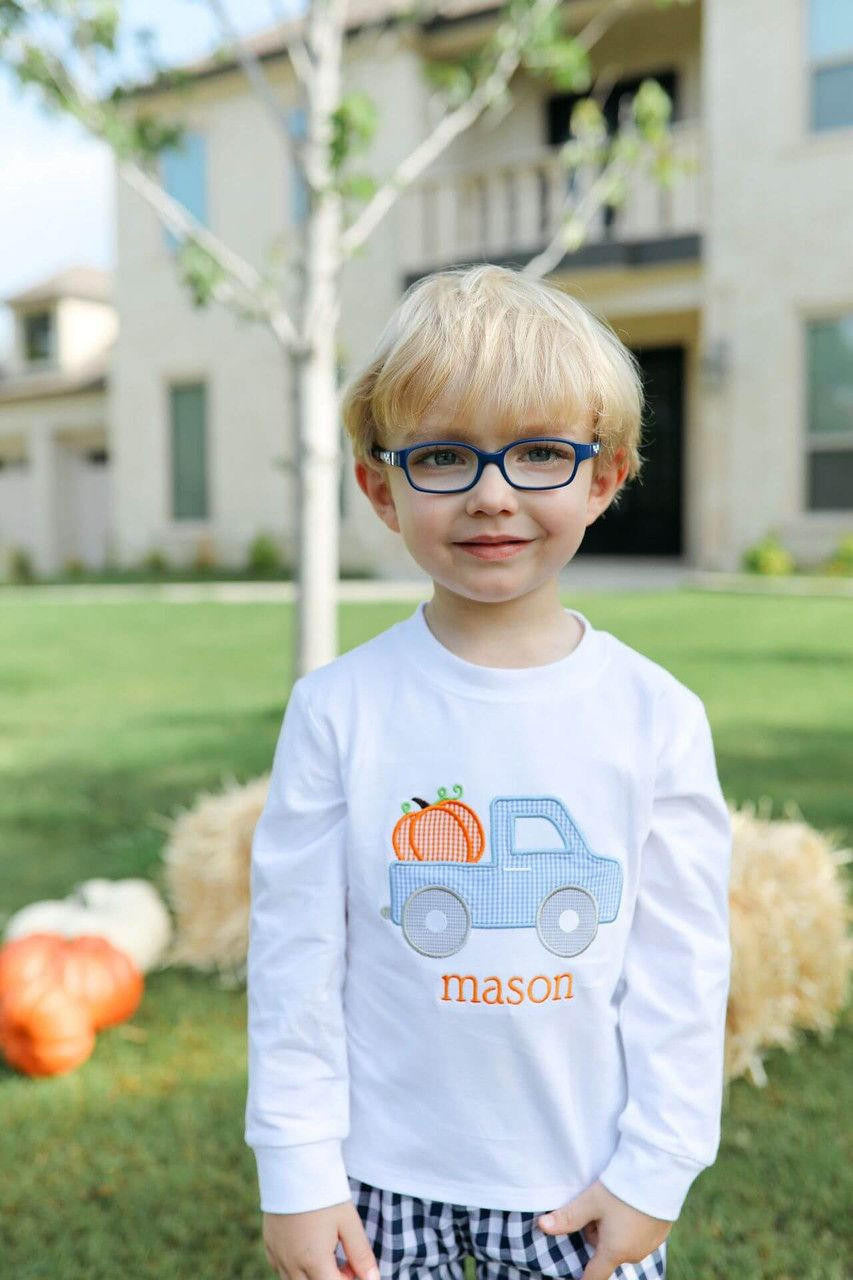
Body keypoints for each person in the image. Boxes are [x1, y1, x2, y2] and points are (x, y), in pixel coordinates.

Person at [245, 264, 732, 1280]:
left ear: (604, 476)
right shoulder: (337, 708)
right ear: (379, 485)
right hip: (379, 1179)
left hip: (580, 1178)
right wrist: (298, 1166)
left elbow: (682, 971)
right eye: (442, 457)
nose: (491, 494)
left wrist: (658, 1166)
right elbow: (294, 959)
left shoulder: (654, 716)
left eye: (540, 453)